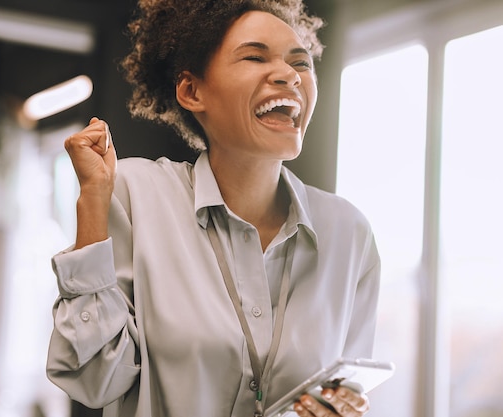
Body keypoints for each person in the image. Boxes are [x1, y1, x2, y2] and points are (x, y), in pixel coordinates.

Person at [46, 1, 381, 416]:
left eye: (301, 63)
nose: (290, 75)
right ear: (192, 91)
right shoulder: (135, 195)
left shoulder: (349, 234)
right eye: (255, 56)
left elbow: (346, 395)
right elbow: (93, 380)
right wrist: (93, 202)